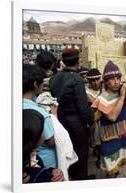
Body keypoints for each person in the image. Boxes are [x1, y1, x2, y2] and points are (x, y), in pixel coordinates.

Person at [49, 48, 95, 180]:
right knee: (81, 150)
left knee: (68, 148)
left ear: (63, 61)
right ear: (78, 61)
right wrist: (90, 121)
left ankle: (71, 174)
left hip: (59, 118)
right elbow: (83, 107)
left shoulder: (54, 78)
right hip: (75, 121)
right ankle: (82, 178)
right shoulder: (76, 79)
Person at [92, 60, 126, 177]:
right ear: (106, 82)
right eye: (112, 79)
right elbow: (112, 117)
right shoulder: (102, 97)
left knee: (118, 166)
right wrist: (122, 96)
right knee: (110, 168)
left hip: (124, 136)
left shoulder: (121, 95)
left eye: (118, 78)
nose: (116, 82)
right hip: (110, 140)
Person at [23, 64, 57, 169]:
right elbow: (51, 141)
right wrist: (54, 115)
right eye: (42, 81)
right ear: (35, 84)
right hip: (44, 160)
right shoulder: (40, 114)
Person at [23, 109, 64, 183]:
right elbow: (38, 173)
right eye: (43, 130)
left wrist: (51, 171)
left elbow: (35, 166)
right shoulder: (38, 176)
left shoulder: (30, 155)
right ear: (36, 137)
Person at [85, 68, 102, 168]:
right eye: (92, 80)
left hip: (103, 120)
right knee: (96, 141)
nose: (96, 83)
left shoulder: (104, 89)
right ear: (88, 80)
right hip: (93, 121)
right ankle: (98, 156)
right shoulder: (85, 91)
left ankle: (100, 157)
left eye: (97, 79)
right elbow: (96, 103)